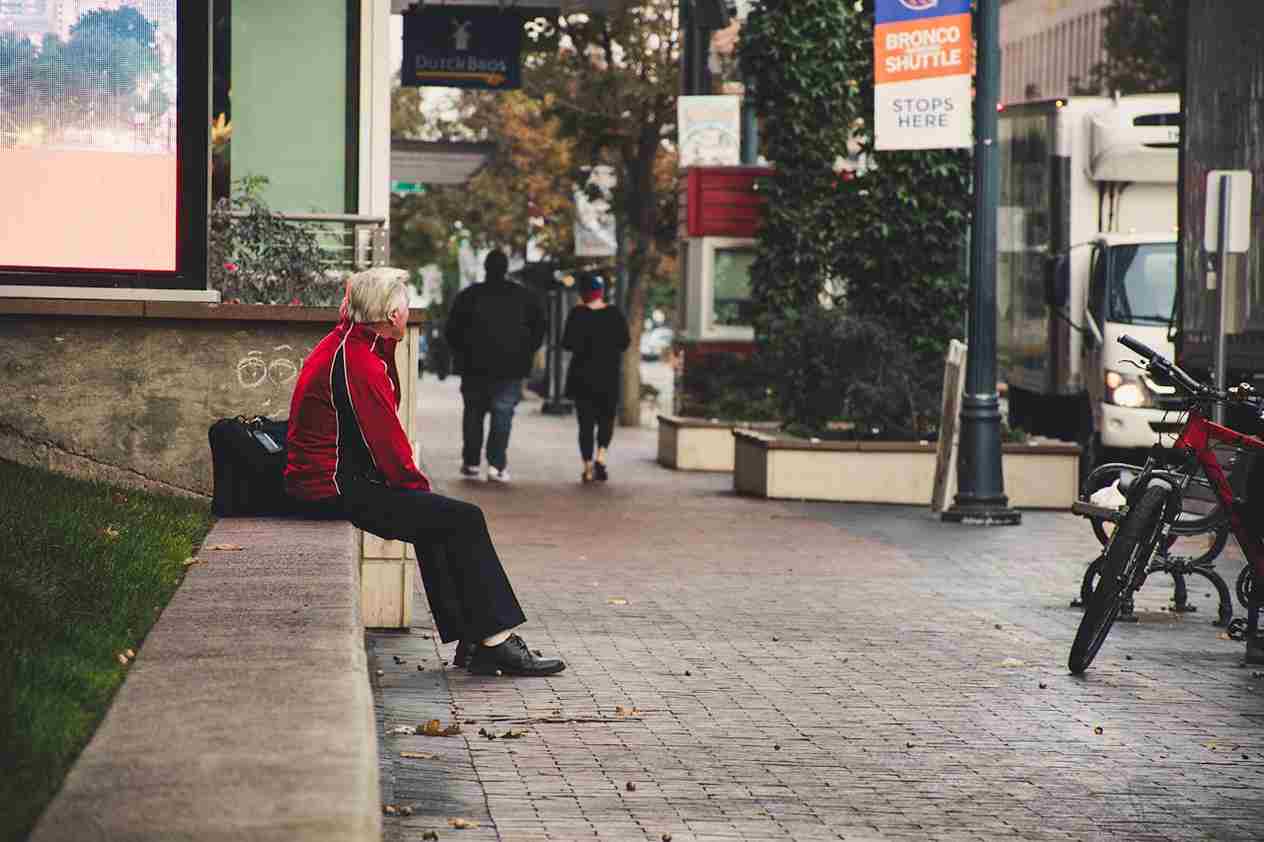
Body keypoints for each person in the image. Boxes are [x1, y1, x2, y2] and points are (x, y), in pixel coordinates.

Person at [284, 268, 565, 677]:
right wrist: (420, 493)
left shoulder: (355, 345)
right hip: (330, 486)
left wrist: (422, 500)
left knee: (440, 521)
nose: (407, 312)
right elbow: (386, 443)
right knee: (461, 518)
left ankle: (477, 642)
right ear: (393, 314)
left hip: (335, 477)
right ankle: (495, 643)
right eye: (404, 305)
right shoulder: (358, 360)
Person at [444, 249, 545, 484]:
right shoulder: (524, 298)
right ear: (506, 268)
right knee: (503, 413)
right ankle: (496, 465)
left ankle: (471, 463)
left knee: (473, 414)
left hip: (473, 367)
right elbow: (539, 330)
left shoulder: (468, 296)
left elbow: (452, 332)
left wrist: (463, 354)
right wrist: (525, 352)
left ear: (486, 268)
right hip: (511, 367)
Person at [561, 275, 630, 483]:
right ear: (601, 292)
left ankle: (588, 466)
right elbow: (625, 342)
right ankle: (601, 455)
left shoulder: (577, 314)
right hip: (607, 377)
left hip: (582, 378)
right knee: (606, 419)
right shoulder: (614, 314)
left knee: (585, 424)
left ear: (583, 293)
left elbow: (567, 343)